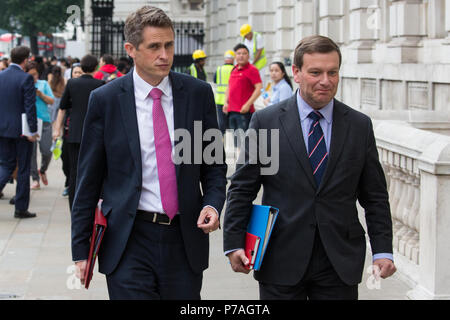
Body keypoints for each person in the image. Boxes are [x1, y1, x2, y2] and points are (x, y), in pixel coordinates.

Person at [71, 6, 227, 300]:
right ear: (131, 49)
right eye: (154, 46)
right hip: (128, 240)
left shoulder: (197, 94)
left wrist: (213, 204)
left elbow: (214, 165)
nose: (165, 55)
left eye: (169, 45)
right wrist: (81, 250)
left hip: (184, 240)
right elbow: (87, 180)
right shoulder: (105, 100)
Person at [223, 35, 396, 300]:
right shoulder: (266, 121)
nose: (325, 81)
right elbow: (243, 187)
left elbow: (374, 196)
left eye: (332, 72)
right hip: (280, 256)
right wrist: (234, 242)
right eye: (315, 72)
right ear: (297, 72)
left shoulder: (359, 126)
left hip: (339, 260)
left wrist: (383, 249)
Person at [53, 55, 104, 211]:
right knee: (94, 169)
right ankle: (92, 203)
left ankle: (74, 206)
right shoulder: (100, 84)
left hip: (74, 132)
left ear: (81, 67)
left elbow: (62, 107)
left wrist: (57, 129)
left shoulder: (72, 83)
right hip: (94, 134)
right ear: (96, 68)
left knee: (74, 171)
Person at [0, 46, 38, 218]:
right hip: (21, 130)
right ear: (25, 60)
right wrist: (33, 130)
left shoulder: (1, 76)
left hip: (3, 128)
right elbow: (29, 107)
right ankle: (21, 208)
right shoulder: (26, 79)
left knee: (6, 164)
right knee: (23, 168)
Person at [223, 43, 262, 148]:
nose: (241, 56)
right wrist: (226, 102)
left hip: (244, 112)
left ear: (248, 56)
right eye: (239, 53)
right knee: (236, 142)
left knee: (244, 142)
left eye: (244, 53)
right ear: (235, 56)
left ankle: (244, 163)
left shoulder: (252, 70)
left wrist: (247, 104)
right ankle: (238, 162)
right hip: (232, 111)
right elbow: (229, 86)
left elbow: (259, 88)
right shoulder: (234, 69)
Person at [25, 61, 55, 190]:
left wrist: (41, 94)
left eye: (35, 74)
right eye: (31, 75)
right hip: (29, 121)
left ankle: (42, 169)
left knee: (47, 151)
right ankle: (35, 179)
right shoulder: (24, 85)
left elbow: (52, 100)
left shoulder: (43, 84)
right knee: (31, 153)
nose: (34, 77)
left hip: (45, 121)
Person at [213, 50, 235, 134]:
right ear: (233, 59)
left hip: (219, 99)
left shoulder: (219, 69)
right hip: (232, 99)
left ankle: (222, 138)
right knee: (232, 121)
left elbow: (215, 80)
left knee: (221, 122)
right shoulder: (235, 68)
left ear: (225, 59)